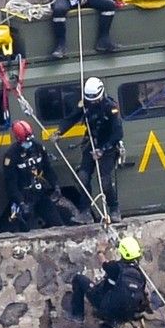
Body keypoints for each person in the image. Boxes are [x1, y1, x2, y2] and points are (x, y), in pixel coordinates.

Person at [51, 76, 123, 223]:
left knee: (105, 181)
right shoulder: (85, 105)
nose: (93, 102)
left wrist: (103, 150)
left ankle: (114, 209)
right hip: (90, 143)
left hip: (107, 147)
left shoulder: (111, 107)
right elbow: (72, 118)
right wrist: (59, 132)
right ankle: (85, 212)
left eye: (95, 99)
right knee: (83, 177)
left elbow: (118, 133)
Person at [67, 236, 151, 328]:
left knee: (78, 279)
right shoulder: (140, 274)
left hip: (104, 304)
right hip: (126, 313)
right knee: (109, 321)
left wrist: (101, 250)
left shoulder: (115, 268)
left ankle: (77, 315)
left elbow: (103, 261)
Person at [3, 120, 63, 232]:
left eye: (30, 139)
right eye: (25, 141)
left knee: (57, 224)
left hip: (40, 193)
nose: (28, 143)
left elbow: (47, 168)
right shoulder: (11, 155)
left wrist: (56, 185)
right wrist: (20, 202)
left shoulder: (38, 147)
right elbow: (11, 184)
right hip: (24, 197)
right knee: (24, 230)